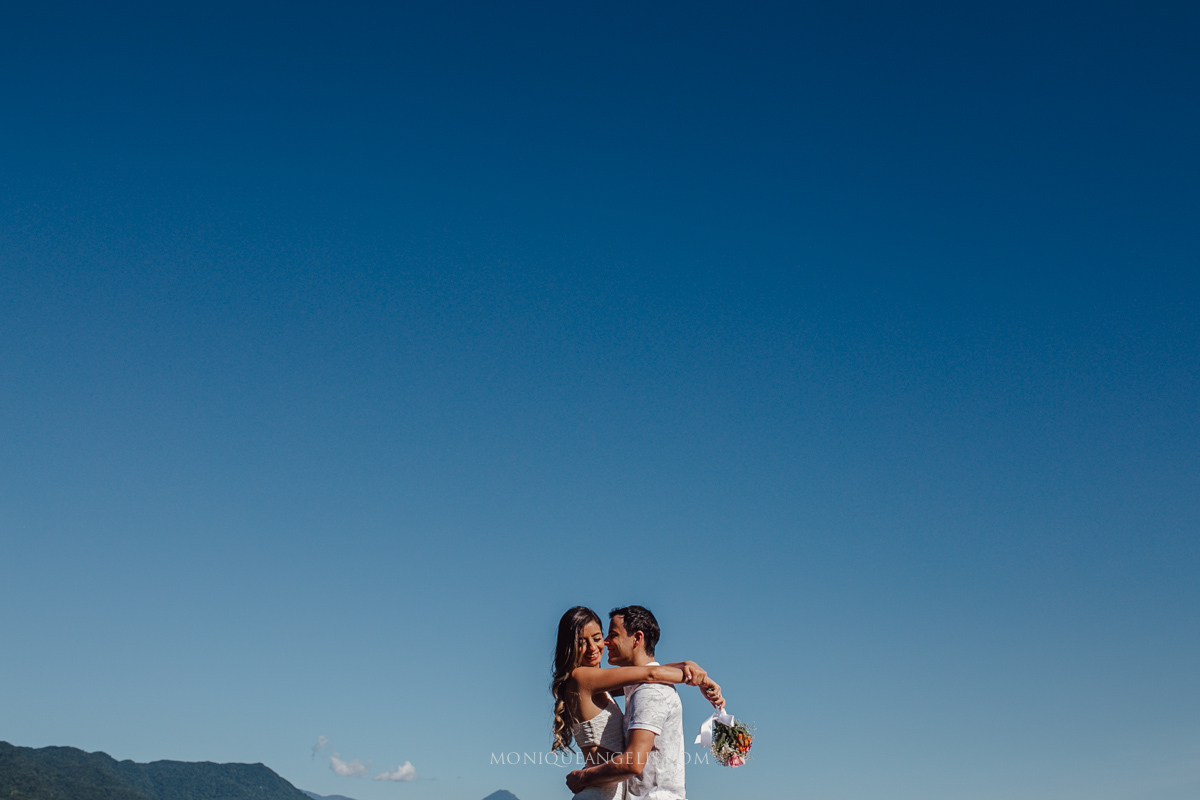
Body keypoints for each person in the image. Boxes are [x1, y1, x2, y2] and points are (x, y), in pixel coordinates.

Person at [552, 606, 722, 800]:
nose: (593, 647)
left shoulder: (601, 684)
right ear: (570, 647)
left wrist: (686, 665)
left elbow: (643, 674)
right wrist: (697, 678)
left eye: (597, 638)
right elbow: (650, 674)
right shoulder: (581, 677)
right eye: (581, 642)